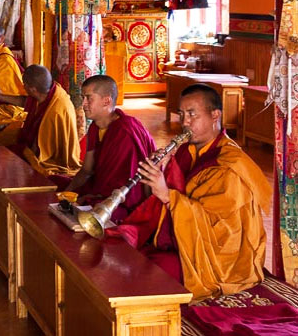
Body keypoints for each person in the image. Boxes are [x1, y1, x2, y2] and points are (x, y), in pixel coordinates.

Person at [110, 84, 271, 301]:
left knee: (148, 274)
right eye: (182, 114)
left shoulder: (230, 166)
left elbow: (217, 231)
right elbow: (158, 203)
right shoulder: (187, 151)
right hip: (183, 241)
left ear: (215, 115)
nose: (185, 122)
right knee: (126, 257)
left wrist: (167, 195)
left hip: (218, 258)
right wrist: (159, 171)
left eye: (192, 114)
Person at [65, 75, 156, 222]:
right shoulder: (95, 127)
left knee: (94, 212)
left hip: (123, 199)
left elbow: (125, 186)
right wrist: (67, 192)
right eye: (83, 98)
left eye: (88, 98)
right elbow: (87, 169)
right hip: (100, 189)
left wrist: (90, 197)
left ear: (106, 101)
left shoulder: (124, 131)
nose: (83, 104)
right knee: (56, 184)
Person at [0, 65, 80, 182]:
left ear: (33, 89)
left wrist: (24, 155)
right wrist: (0, 96)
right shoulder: (46, 91)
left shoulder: (55, 112)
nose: (23, 86)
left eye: (24, 84)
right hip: (34, 141)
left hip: (49, 155)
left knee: (2, 158)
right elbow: (26, 101)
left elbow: (41, 148)